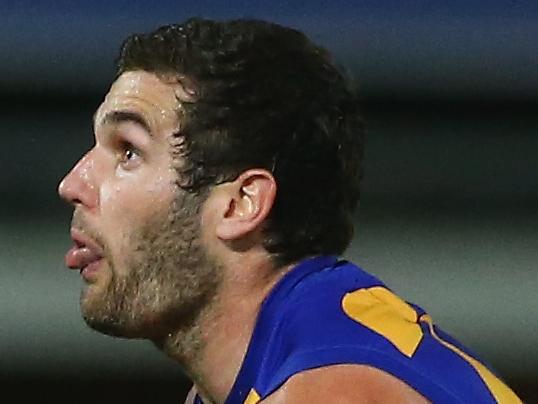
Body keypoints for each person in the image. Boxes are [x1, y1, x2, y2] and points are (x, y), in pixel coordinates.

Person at [58, 17, 521, 404]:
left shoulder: (331, 389)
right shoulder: (240, 377)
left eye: (128, 152)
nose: (72, 185)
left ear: (241, 204)